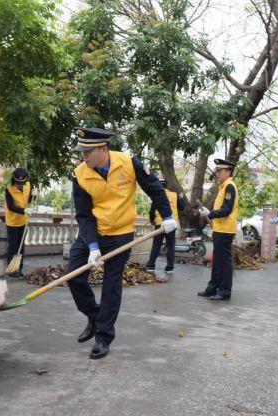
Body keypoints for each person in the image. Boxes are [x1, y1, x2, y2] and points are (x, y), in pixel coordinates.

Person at [67, 127, 177, 359]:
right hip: (94, 231)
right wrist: (93, 247)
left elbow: (155, 189)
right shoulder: (80, 174)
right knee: (74, 275)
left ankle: (104, 336)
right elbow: (84, 215)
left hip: (121, 233)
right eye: (81, 152)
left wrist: (167, 217)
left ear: (103, 149)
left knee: (111, 284)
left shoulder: (128, 162)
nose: (84, 156)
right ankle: (93, 315)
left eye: (88, 151)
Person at [197, 159, 239, 301]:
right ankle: (212, 288)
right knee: (217, 261)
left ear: (228, 171)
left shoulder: (229, 187)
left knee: (224, 262)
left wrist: (210, 214)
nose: (218, 174)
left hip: (225, 230)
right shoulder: (223, 187)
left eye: (221, 171)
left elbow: (226, 210)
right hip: (220, 229)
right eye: (217, 171)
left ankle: (224, 292)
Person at [145, 179, 185, 274]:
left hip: (160, 223)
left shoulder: (157, 195)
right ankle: (169, 267)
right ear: (166, 186)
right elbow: (182, 207)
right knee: (170, 246)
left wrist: (152, 221)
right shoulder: (174, 195)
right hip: (171, 224)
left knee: (156, 245)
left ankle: (151, 265)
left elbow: (152, 211)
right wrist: (182, 198)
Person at [4, 167, 35, 278]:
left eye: (22, 183)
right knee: (13, 246)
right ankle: (11, 269)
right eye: (18, 183)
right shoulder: (9, 189)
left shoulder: (28, 185)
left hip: (23, 221)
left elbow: (30, 199)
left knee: (21, 247)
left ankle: (19, 269)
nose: (20, 185)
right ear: (14, 180)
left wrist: (34, 197)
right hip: (12, 222)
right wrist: (24, 210)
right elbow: (11, 207)